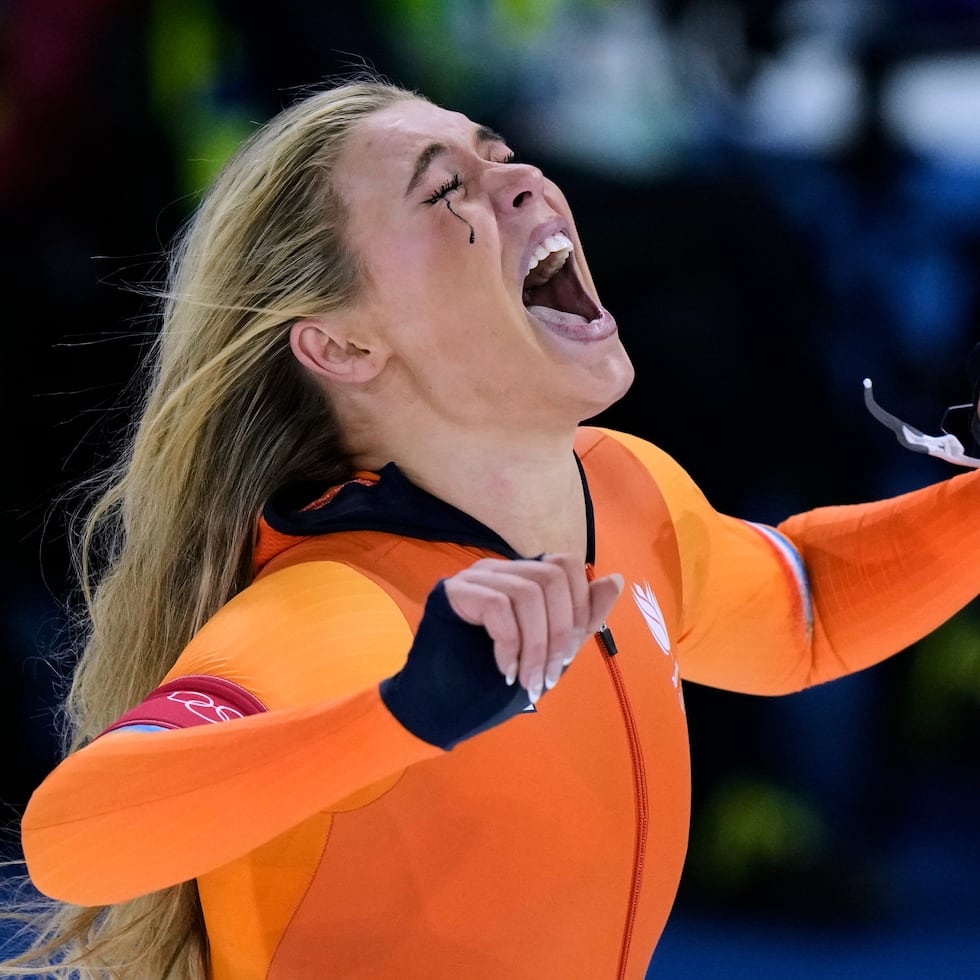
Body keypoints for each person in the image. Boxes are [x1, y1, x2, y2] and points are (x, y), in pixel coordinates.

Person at [4, 78, 979, 979]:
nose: (519, 181)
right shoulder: (343, 611)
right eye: (444, 193)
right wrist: (400, 712)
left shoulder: (625, 491)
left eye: (500, 151)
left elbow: (797, 602)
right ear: (341, 342)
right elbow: (75, 838)